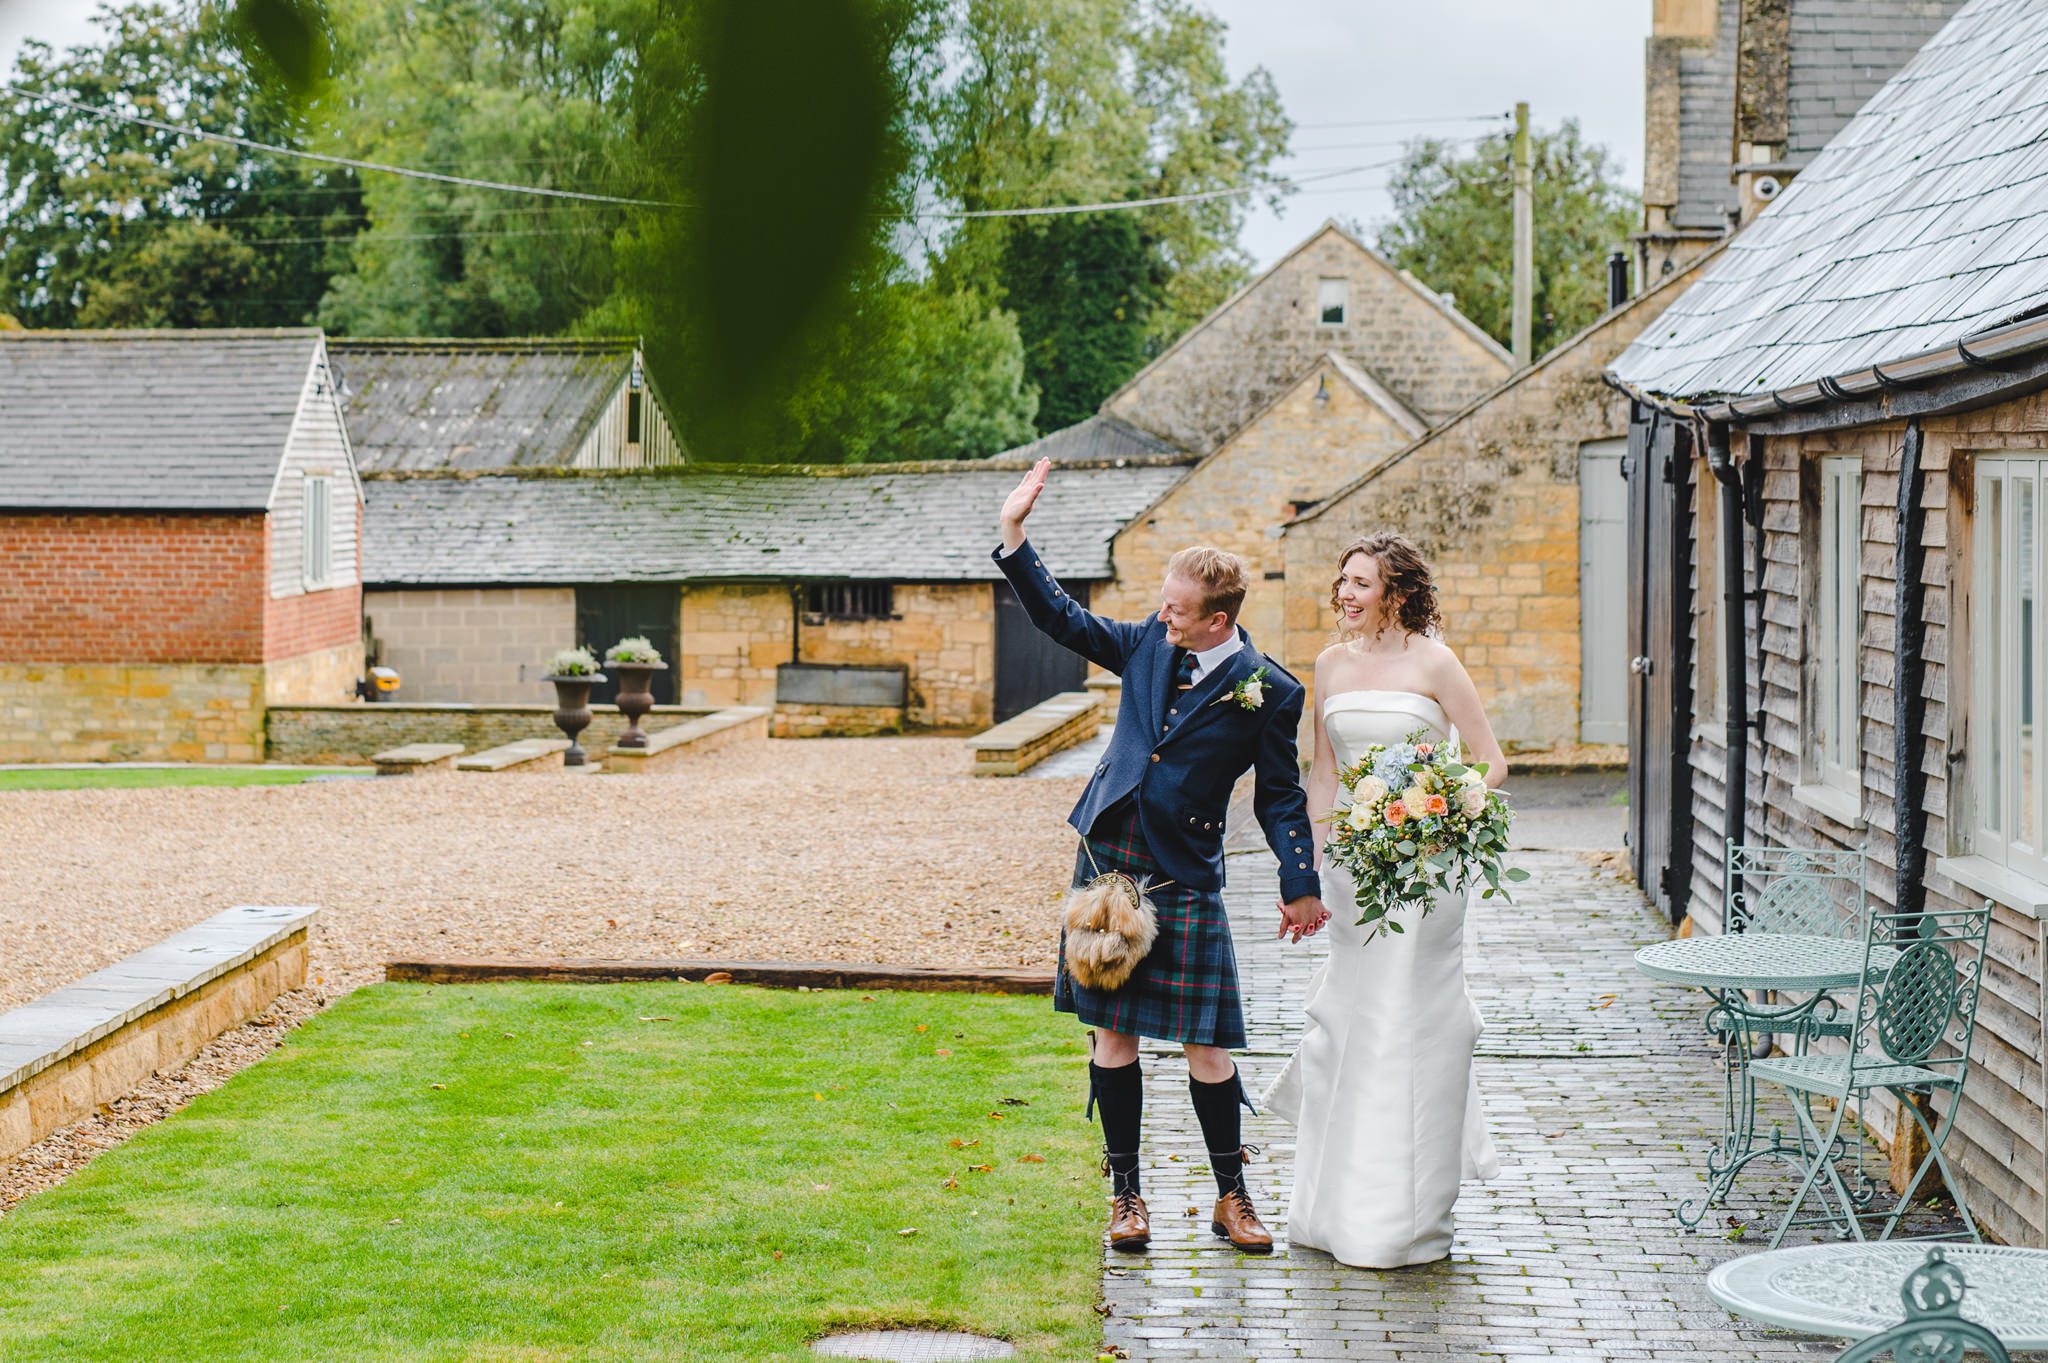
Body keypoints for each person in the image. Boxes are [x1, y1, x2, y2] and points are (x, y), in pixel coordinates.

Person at [994, 455, 1328, 1256]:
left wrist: (1300, 881)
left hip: (1183, 868)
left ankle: (1232, 1196)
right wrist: (1014, 535)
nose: (1163, 617)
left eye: (1179, 610)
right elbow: (1065, 620)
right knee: (1114, 1037)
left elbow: (1280, 794)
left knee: (1207, 1044)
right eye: (1164, 606)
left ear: (1220, 618)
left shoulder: (1268, 691)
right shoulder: (1148, 642)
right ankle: (1127, 1196)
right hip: (1108, 856)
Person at [1264, 531, 1507, 1268]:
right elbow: (1324, 775)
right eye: (1342, 580)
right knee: (1350, 1025)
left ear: (1395, 591)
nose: (1344, 592)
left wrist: (1436, 809)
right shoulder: (1330, 664)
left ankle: (1405, 1216)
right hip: (1350, 872)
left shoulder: (1436, 661)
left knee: (1409, 1024)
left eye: (1360, 582)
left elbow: (1491, 763)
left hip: (1425, 877)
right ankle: (1328, 1209)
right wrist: (1305, 870)